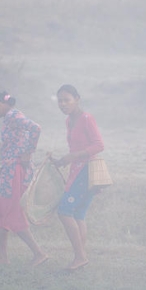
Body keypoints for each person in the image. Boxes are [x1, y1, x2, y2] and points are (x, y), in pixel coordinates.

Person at [0, 90, 48, 266]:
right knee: (0, 211)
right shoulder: (10, 117)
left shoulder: (13, 116)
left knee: (12, 211)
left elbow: (36, 128)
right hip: (8, 170)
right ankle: (3, 256)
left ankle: (39, 253)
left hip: (15, 172)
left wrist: (28, 152)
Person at [52, 85, 105, 270]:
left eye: (67, 99)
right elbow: (75, 149)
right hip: (77, 169)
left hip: (87, 169)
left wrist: (73, 157)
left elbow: (99, 145)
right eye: (60, 100)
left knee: (64, 211)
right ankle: (81, 257)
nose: (63, 104)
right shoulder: (69, 121)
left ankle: (80, 256)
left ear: (77, 99)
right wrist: (63, 161)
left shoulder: (86, 118)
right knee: (78, 214)